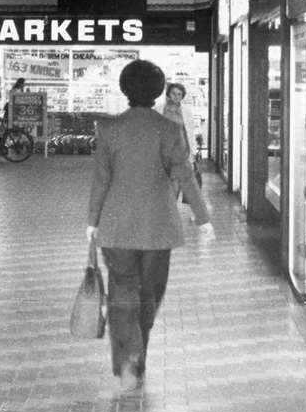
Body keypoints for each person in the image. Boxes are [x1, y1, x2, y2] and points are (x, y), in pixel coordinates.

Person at [87, 59, 215, 394]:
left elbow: (101, 179)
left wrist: (92, 221)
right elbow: (185, 176)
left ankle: (127, 361)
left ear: (124, 89)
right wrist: (203, 219)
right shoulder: (169, 130)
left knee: (122, 292)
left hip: (116, 226)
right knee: (150, 295)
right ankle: (137, 354)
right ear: (159, 90)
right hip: (158, 227)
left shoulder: (109, 129)